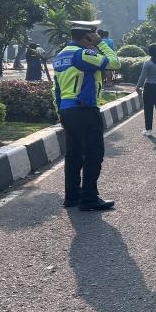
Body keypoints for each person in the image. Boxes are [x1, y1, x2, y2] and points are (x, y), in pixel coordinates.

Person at [53, 20, 120, 211]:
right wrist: (101, 44)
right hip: (85, 110)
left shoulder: (60, 56)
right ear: (88, 36)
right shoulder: (83, 54)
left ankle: (71, 197)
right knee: (93, 153)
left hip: (67, 110)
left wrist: (60, 110)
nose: (95, 39)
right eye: (94, 36)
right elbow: (115, 63)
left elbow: (55, 88)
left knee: (73, 155)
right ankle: (89, 197)